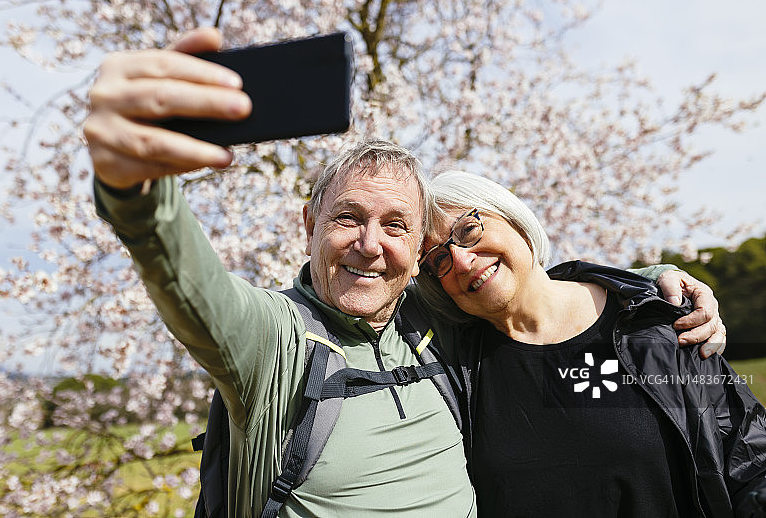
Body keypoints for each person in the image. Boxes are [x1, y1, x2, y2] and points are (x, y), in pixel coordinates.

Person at [84, 27, 727, 517]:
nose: (370, 245)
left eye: (396, 226)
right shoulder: (274, 340)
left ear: (419, 249)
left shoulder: (433, 320)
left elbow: (524, 289)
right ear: (307, 224)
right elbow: (192, 284)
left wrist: (646, 285)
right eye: (347, 219)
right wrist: (134, 189)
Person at [415, 170, 766, 517]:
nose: (461, 260)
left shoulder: (653, 320)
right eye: (439, 259)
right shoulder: (452, 367)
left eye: (468, 230)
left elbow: (749, 458)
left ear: (515, 220)